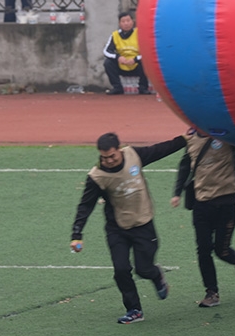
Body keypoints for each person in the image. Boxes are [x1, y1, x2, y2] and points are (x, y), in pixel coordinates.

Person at [70, 131, 188, 324]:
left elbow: (160, 150)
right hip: (117, 228)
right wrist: (77, 234)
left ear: (120, 149)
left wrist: (183, 140)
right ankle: (134, 310)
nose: (108, 160)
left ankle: (156, 275)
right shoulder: (97, 176)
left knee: (144, 269)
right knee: (121, 269)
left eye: (112, 156)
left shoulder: (134, 155)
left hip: (143, 224)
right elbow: (86, 205)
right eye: (104, 157)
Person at [171, 128, 235, 308]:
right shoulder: (191, 139)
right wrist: (177, 193)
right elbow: (185, 165)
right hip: (202, 203)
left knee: (222, 251)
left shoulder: (227, 135)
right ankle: (211, 292)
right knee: (203, 249)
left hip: (226, 202)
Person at [103, 12, 150, 95]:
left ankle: (143, 88)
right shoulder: (115, 35)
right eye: (123, 21)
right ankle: (117, 87)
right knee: (108, 63)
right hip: (122, 65)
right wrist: (118, 57)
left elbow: (148, 51)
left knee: (146, 62)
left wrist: (135, 59)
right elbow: (106, 51)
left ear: (133, 22)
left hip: (136, 65)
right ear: (119, 23)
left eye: (128, 21)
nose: (126, 24)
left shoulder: (140, 34)